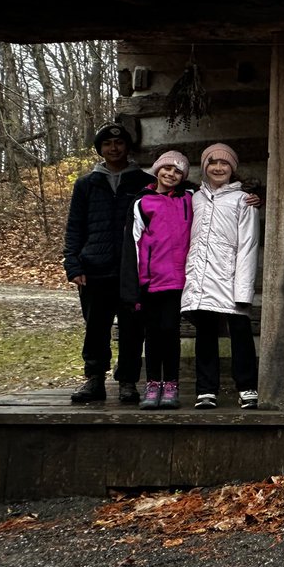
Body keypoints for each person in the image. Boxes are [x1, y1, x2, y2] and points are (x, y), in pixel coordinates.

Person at [64, 122, 150, 405]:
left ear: (127, 146)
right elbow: (74, 227)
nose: (114, 149)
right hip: (94, 270)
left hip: (131, 271)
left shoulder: (143, 182)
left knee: (132, 327)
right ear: (100, 149)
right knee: (96, 326)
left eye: (119, 143)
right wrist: (73, 265)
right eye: (107, 145)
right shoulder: (86, 184)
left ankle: (127, 381)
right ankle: (94, 379)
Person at [181, 143, 261, 410]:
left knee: (239, 331)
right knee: (205, 332)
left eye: (224, 163)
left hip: (230, 276)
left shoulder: (244, 200)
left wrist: (243, 289)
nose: (218, 167)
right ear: (204, 167)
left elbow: (248, 246)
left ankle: (247, 386)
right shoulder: (195, 198)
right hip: (201, 278)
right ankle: (206, 390)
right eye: (212, 162)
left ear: (232, 169)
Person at [121, 151, 194, 410]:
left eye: (177, 171)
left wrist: (253, 195)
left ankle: (171, 383)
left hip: (178, 281)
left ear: (183, 177)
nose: (171, 174)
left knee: (170, 333)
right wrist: (134, 288)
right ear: (157, 170)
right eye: (166, 169)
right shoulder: (142, 202)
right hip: (150, 282)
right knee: (152, 335)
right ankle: (153, 383)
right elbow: (134, 244)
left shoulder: (190, 199)